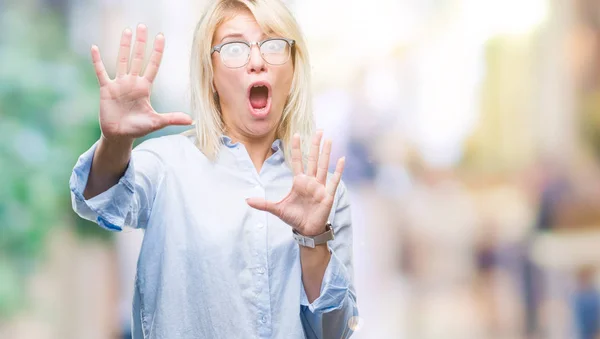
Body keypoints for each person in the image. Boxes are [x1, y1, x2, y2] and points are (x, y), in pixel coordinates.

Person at [68, 0, 359, 338]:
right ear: (211, 75)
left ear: (293, 70)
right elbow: (97, 200)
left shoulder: (324, 192)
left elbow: (337, 331)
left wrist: (313, 240)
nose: (257, 61)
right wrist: (115, 141)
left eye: (273, 44)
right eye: (235, 48)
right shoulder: (167, 166)